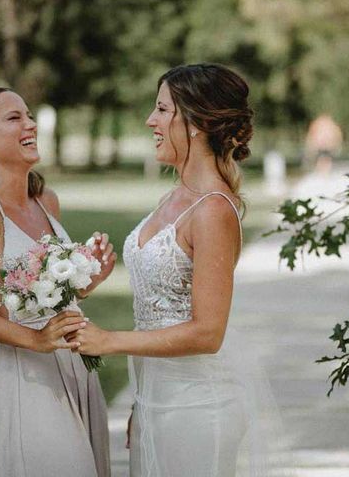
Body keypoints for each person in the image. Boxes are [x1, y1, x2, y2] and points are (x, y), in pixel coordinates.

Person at [69, 64, 282, 476]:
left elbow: (208, 333)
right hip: (155, 402)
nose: (151, 120)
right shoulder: (176, 194)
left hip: (199, 408)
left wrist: (109, 340)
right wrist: (140, 401)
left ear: (197, 122)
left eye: (163, 110)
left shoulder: (214, 211)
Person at [0, 88, 114, 477]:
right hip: (26, 371)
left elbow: (50, 294)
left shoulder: (45, 200)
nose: (30, 124)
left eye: (29, 115)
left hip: (77, 365)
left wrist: (89, 280)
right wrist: (36, 340)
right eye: (14, 118)